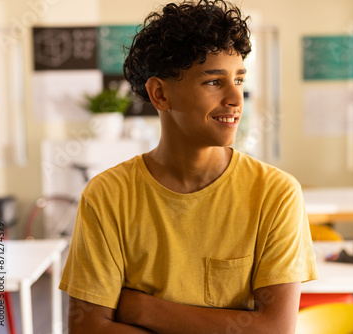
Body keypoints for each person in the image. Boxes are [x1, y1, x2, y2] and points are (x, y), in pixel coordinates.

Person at [59, 0, 318, 333]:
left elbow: (273, 329)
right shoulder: (108, 195)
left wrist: (144, 309)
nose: (236, 99)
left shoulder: (275, 193)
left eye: (239, 80)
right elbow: (89, 330)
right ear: (160, 95)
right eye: (214, 82)